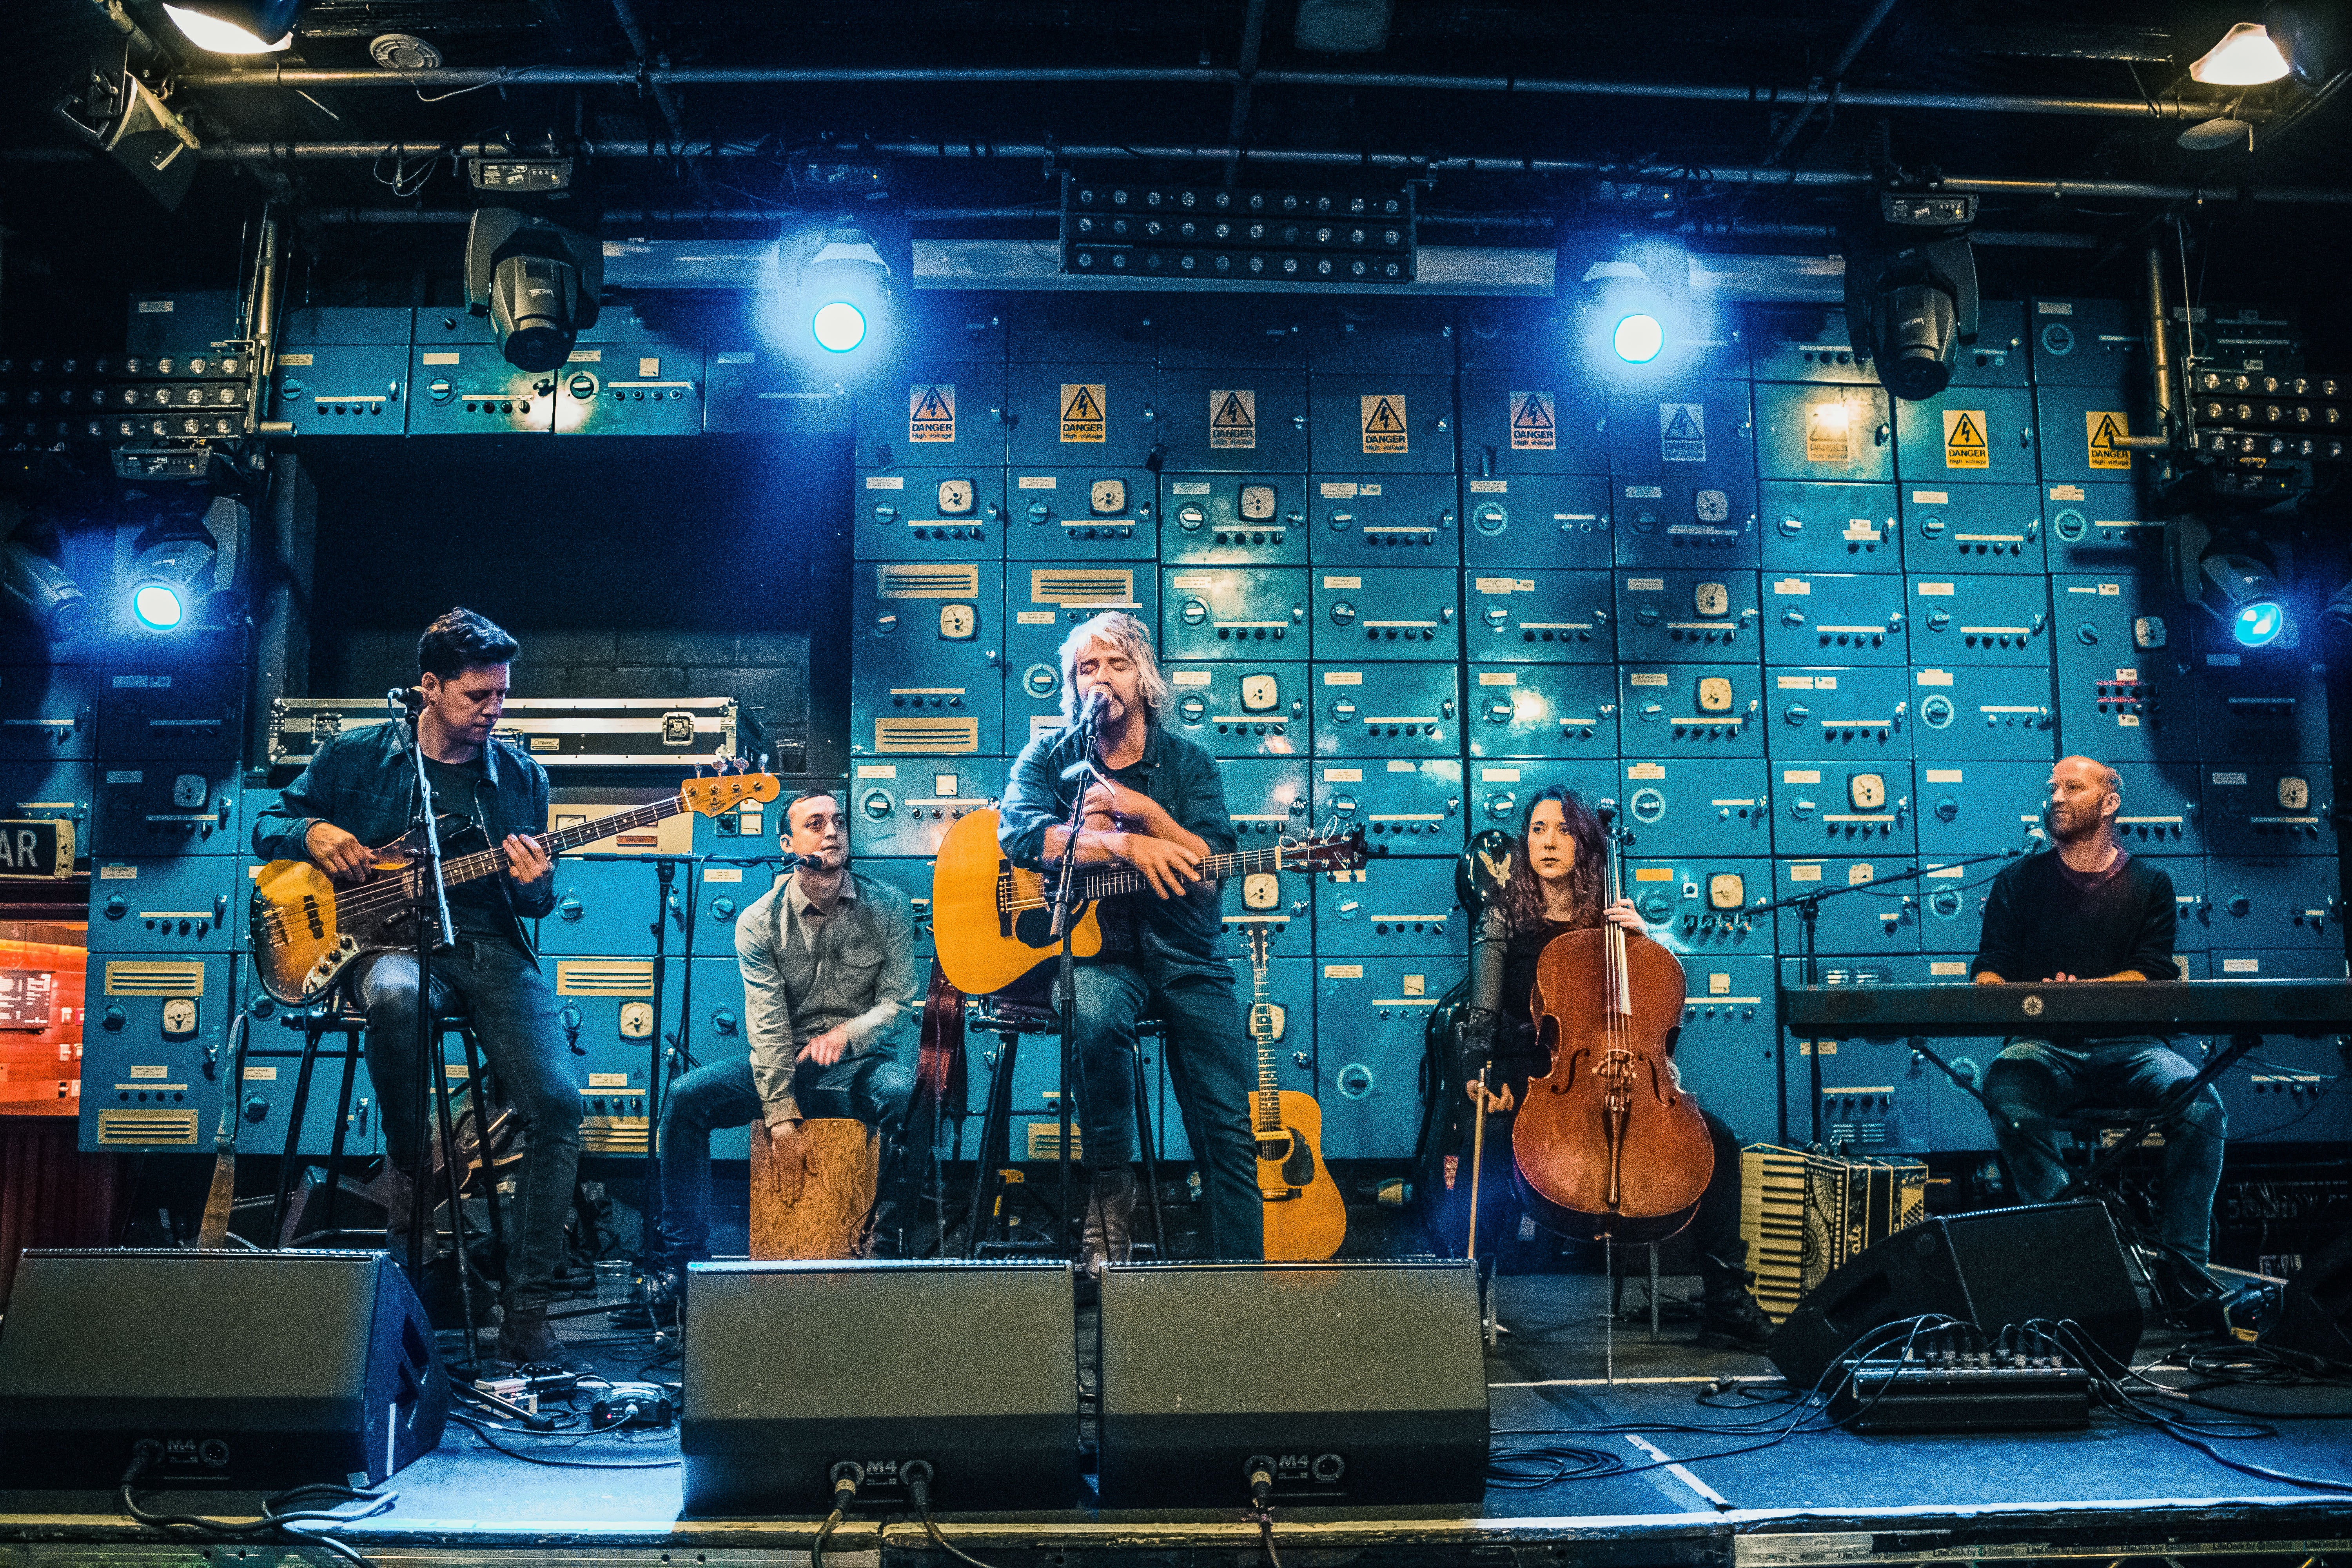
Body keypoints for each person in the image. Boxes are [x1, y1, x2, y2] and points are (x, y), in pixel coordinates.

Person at [252, 608, 581, 1367]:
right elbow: (273, 820)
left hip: (487, 947)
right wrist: (314, 835)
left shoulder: (522, 776)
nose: (494, 709)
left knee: (559, 1105)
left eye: (502, 694)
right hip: (381, 947)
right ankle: (410, 1170)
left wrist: (540, 883)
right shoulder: (358, 755)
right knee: (396, 996)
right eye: (478, 695)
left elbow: (528, 903)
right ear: (428, 687)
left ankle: (528, 1313)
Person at [1439, 786, 1775, 1351]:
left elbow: (1655, 1013)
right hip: (1536, 1077)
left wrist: (1642, 941)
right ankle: (1469, 1293)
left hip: (1622, 1079)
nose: (1549, 842)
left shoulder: (1610, 921)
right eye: (1539, 829)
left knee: (1717, 1140)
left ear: (1586, 844)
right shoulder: (1503, 918)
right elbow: (1483, 1012)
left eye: (1564, 830)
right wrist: (1479, 1075)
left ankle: (1727, 1299)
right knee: (1489, 1140)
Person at [997, 610, 1262, 1273]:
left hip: (1187, 956)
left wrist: (1146, 817)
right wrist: (1115, 845)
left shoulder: (1189, 764)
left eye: (1117, 664)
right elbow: (1018, 836)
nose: (1102, 677)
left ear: (1145, 681)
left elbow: (1211, 867)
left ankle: (1244, 1284)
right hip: (1096, 957)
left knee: (1228, 1124)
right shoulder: (1051, 757)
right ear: (1072, 684)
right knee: (1089, 1012)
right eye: (1088, 667)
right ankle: (1112, 1185)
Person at [652, 788, 919, 1283]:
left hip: (859, 1067)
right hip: (786, 1063)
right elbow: (768, 1026)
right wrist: (781, 1118)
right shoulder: (758, 921)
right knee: (686, 1099)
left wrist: (849, 1034)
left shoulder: (890, 907)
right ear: (786, 843)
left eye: (838, 822)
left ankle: (886, 1254)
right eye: (816, 824)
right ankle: (683, 1266)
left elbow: (898, 1003)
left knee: (908, 1095)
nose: (833, 831)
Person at [1972, 753, 2223, 1271]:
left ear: (2110, 804)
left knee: (2203, 1109)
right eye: (2052, 788)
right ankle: (2074, 1234)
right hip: (2043, 1049)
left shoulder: (2151, 885)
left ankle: (2186, 1269)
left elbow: (2153, 973)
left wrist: (2079, 991)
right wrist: (2027, 997)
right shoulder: (2016, 882)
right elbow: (1988, 972)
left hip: (2134, 1049)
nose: (2056, 797)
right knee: (2005, 1091)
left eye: (2073, 787)